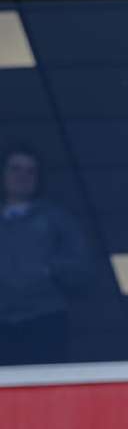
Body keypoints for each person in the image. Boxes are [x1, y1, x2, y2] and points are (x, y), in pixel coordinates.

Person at [0, 143, 91, 365]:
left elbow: (81, 267)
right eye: (15, 168)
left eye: (31, 171)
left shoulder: (57, 219)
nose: (23, 176)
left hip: (45, 318)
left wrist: (49, 270)